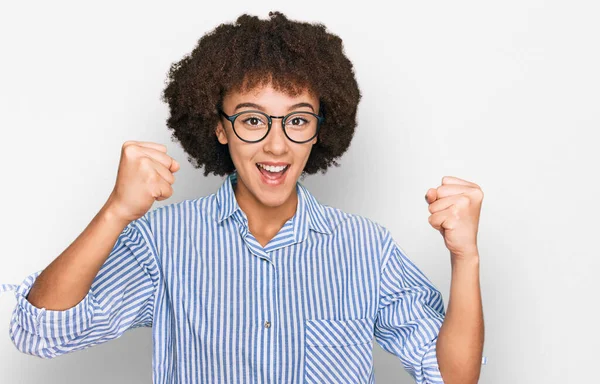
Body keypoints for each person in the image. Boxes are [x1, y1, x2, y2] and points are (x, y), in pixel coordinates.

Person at [0, 11, 486, 384]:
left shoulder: (366, 248)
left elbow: (451, 376)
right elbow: (39, 332)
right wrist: (116, 212)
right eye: (253, 120)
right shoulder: (164, 242)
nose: (277, 145)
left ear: (320, 130)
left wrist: (466, 257)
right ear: (218, 127)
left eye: (297, 120)